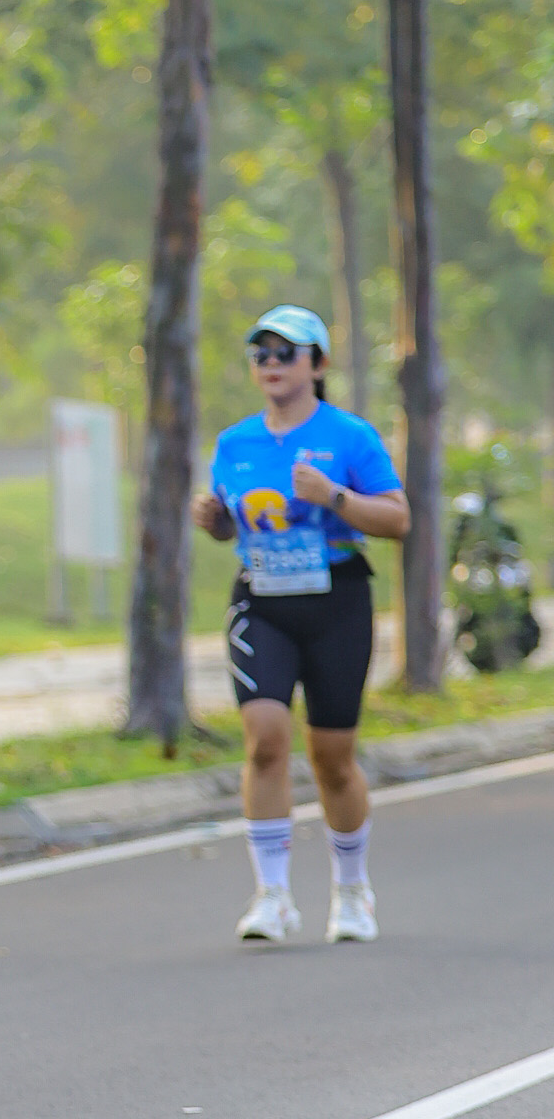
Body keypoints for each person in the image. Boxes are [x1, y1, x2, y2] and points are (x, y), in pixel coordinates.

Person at [193, 305, 409, 945]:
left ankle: (352, 891)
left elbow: (398, 519)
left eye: (286, 352)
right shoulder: (235, 443)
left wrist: (335, 497)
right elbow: (235, 520)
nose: (271, 364)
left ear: (318, 363)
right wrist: (216, 523)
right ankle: (273, 896)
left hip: (337, 600)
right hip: (262, 598)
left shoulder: (350, 436)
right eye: (260, 353)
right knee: (264, 738)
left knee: (331, 759)